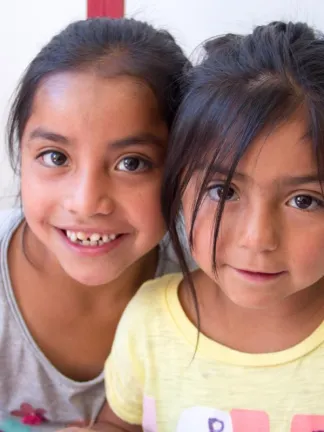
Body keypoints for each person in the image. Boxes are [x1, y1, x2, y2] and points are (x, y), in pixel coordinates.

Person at [104, 21, 324, 431]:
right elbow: (119, 424)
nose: (257, 238)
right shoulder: (149, 323)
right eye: (223, 192)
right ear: (179, 183)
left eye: (304, 201)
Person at [0, 16, 189, 431]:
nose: (86, 202)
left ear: (182, 168)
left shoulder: (210, 285)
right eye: (55, 156)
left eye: (132, 163)